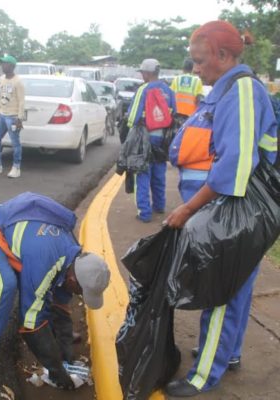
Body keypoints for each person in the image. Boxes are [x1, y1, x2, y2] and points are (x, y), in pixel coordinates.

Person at [165, 21, 278, 397]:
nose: (195, 69)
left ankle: (203, 375)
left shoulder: (243, 92)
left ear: (224, 56)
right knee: (238, 288)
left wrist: (187, 209)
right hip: (248, 208)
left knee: (221, 291)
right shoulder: (229, 89)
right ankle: (227, 353)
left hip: (243, 209)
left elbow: (235, 167)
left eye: (199, 61)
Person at [0, 193, 110, 388]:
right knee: (5, 286)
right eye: (81, 291)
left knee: (46, 289)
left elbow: (60, 299)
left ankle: (56, 339)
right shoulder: (46, 259)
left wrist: (63, 342)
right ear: (73, 278)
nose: (79, 295)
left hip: (21, 237)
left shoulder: (72, 257)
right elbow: (31, 323)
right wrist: (57, 371)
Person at [127, 58, 176, 222]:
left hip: (144, 139)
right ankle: (159, 206)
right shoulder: (169, 91)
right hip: (162, 140)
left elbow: (132, 117)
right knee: (158, 173)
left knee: (142, 174)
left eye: (142, 73)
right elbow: (174, 114)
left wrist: (129, 132)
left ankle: (144, 213)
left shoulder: (144, 89)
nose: (142, 76)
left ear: (147, 73)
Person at [0, 55, 25, 178]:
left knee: (15, 143)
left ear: (12, 66)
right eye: (2, 63)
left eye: (5, 64)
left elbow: (21, 101)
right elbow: (0, 97)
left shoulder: (18, 81)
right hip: (2, 115)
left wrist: (19, 118)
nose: (2, 66)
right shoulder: (1, 78)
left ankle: (16, 167)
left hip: (13, 117)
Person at [170, 58, 204, 129]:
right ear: (193, 68)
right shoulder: (197, 81)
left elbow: (171, 96)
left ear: (183, 68)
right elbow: (200, 99)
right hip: (190, 116)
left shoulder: (176, 79)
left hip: (176, 115)